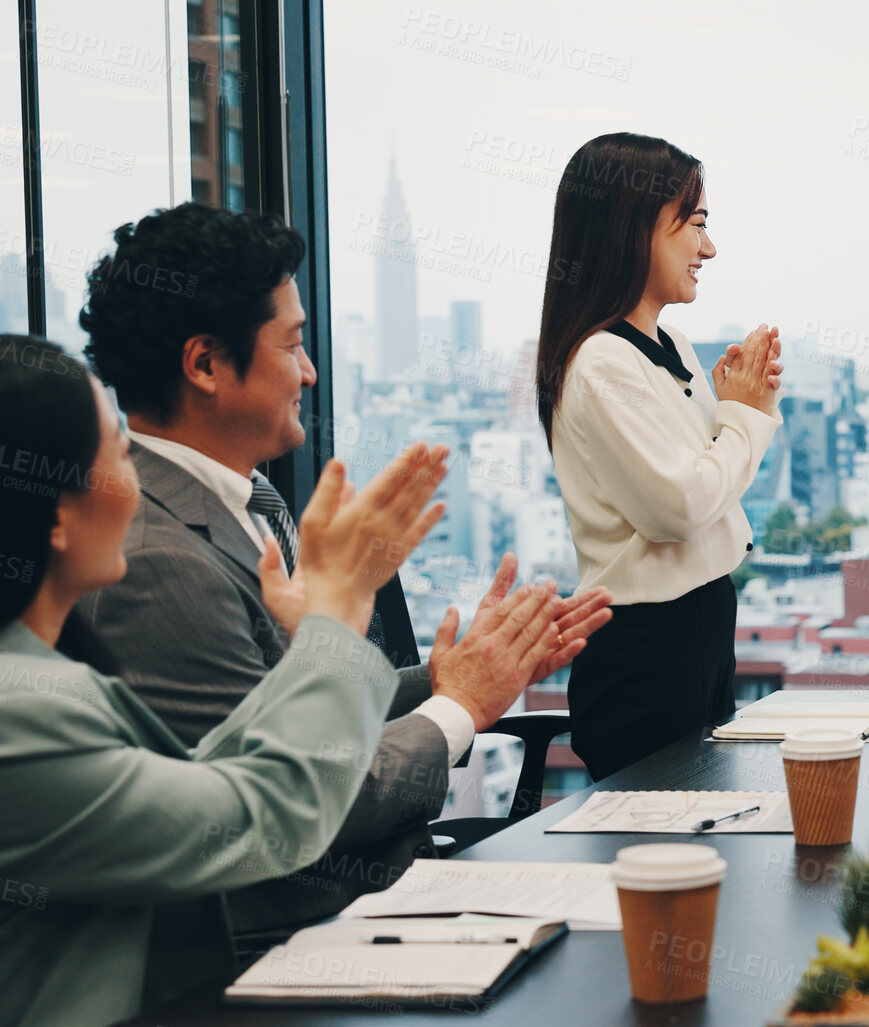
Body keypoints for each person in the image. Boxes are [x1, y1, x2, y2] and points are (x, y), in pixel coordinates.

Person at [73, 202, 613, 938]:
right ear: (204, 364)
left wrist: (460, 671)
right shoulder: (155, 561)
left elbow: (296, 711)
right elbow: (288, 797)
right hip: (295, 940)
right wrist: (461, 707)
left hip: (373, 902)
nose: (310, 371)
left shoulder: (248, 503)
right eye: (291, 344)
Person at [0, 336, 492, 1024]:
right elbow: (258, 816)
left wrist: (322, 647)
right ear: (56, 513)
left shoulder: (39, 673)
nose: (135, 479)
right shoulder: (22, 711)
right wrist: (336, 619)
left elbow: (208, 771)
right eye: (114, 448)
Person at [535, 133, 782, 779]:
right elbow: (680, 506)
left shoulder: (665, 342)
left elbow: (711, 485)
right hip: (646, 653)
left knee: (705, 847)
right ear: (634, 226)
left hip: (700, 627)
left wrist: (738, 409)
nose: (709, 248)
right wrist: (745, 415)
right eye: (695, 225)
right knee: (661, 858)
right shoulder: (602, 363)